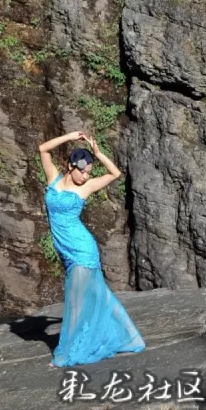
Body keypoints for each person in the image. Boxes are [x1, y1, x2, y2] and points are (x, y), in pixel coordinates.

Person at [39, 128, 146, 367]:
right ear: (71, 167)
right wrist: (70, 137)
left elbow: (115, 173)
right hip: (66, 251)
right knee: (100, 295)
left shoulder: (85, 188)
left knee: (75, 301)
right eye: (83, 172)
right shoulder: (53, 179)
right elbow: (43, 149)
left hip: (82, 250)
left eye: (89, 172)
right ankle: (129, 338)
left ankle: (65, 355)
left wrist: (98, 153)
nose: (86, 176)